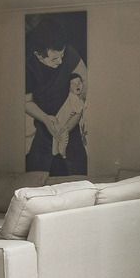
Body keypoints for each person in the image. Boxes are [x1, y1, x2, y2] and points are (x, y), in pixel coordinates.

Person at [24, 36, 87, 175]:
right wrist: (45, 119)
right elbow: (26, 102)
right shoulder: (28, 66)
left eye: (62, 55)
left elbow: (84, 91)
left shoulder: (70, 54)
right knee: (38, 173)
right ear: (38, 55)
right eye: (54, 59)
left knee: (76, 171)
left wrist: (67, 126)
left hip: (72, 122)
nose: (61, 61)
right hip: (43, 123)